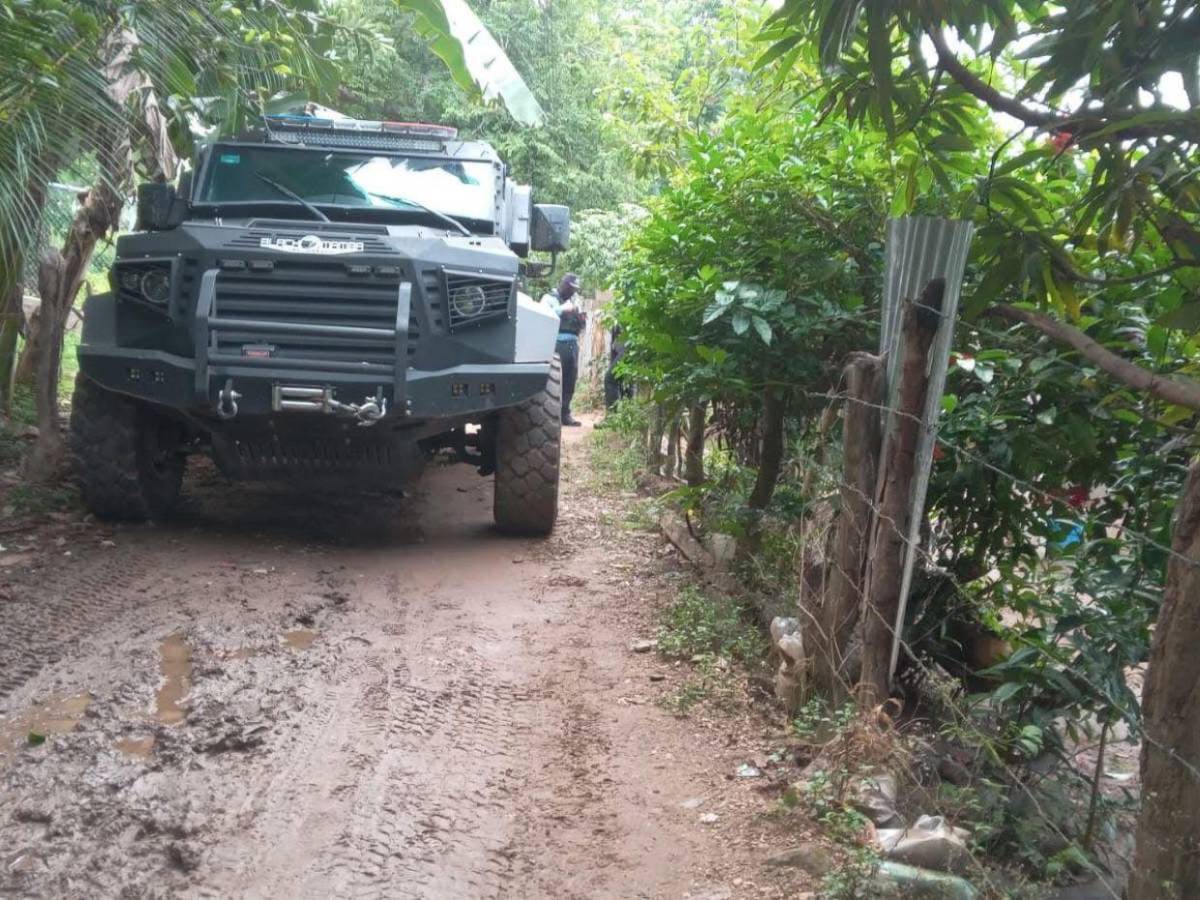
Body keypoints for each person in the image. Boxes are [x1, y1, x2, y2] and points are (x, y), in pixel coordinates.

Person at [541, 273, 586, 426]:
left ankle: (565, 413)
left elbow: (580, 327)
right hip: (555, 344)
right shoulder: (549, 298)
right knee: (552, 381)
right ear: (563, 284)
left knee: (569, 381)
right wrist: (562, 309)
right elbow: (543, 316)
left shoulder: (574, 301)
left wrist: (580, 318)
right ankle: (549, 415)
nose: (573, 291)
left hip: (572, 345)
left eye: (575, 289)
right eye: (570, 288)